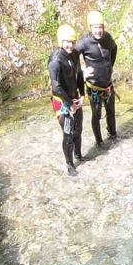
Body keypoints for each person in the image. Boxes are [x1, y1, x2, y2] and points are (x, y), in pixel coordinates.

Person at [75, 10, 119, 148]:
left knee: (111, 112)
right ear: (90, 27)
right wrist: (82, 70)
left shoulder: (107, 38)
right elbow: (72, 56)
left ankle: (113, 135)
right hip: (94, 87)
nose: (98, 31)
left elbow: (114, 48)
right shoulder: (84, 42)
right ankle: (99, 142)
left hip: (108, 85)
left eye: (100, 27)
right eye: (95, 28)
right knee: (97, 114)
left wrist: (110, 65)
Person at [49, 24, 84, 175]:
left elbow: (80, 75)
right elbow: (56, 87)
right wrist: (70, 104)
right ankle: (69, 164)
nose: (70, 45)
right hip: (62, 101)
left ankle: (78, 154)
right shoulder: (55, 60)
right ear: (61, 41)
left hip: (74, 97)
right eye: (67, 42)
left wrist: (82, 94)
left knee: (79, 129)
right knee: (68, 133)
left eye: (73, 42)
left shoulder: (75, 54)